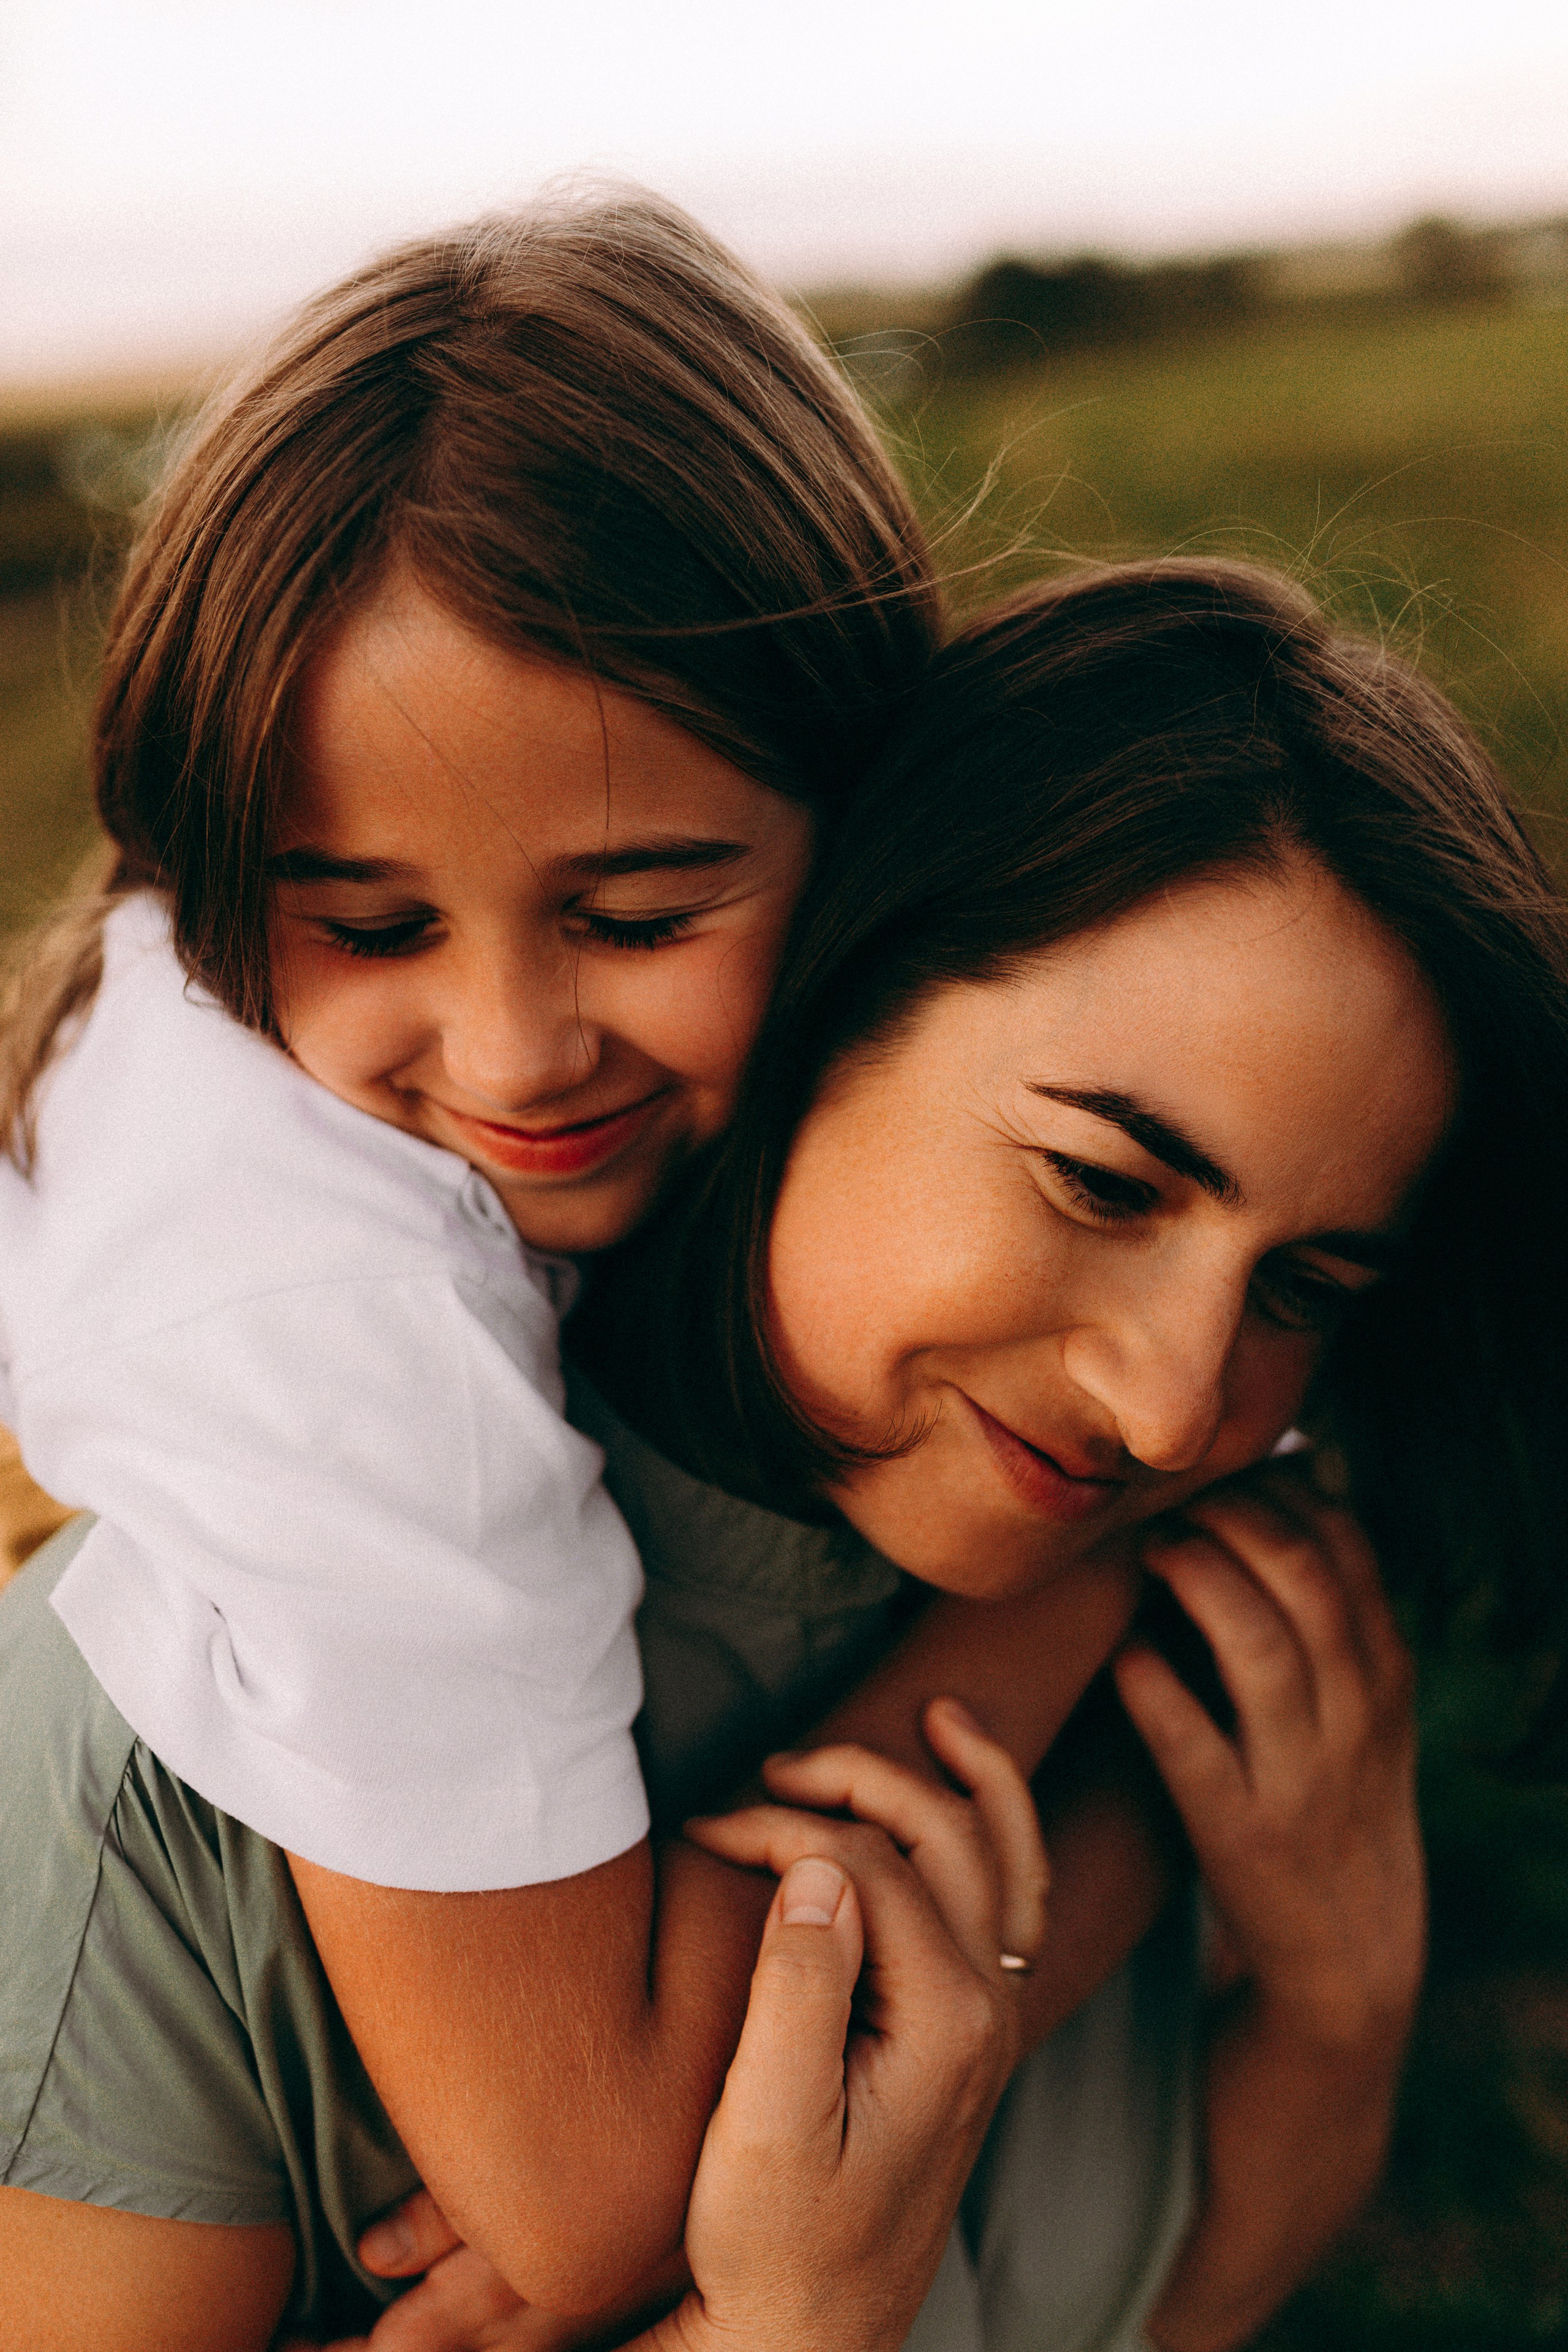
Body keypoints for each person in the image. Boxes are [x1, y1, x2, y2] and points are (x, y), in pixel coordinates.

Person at [8, 554, 1566, 2351]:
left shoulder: (1170, 1658)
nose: (1173, 1409)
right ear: (815, 1002)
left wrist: (1339, 2002)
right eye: (1103, 1183)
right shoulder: (149, 1786)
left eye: (1302, 1284)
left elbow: (1148, 2304)